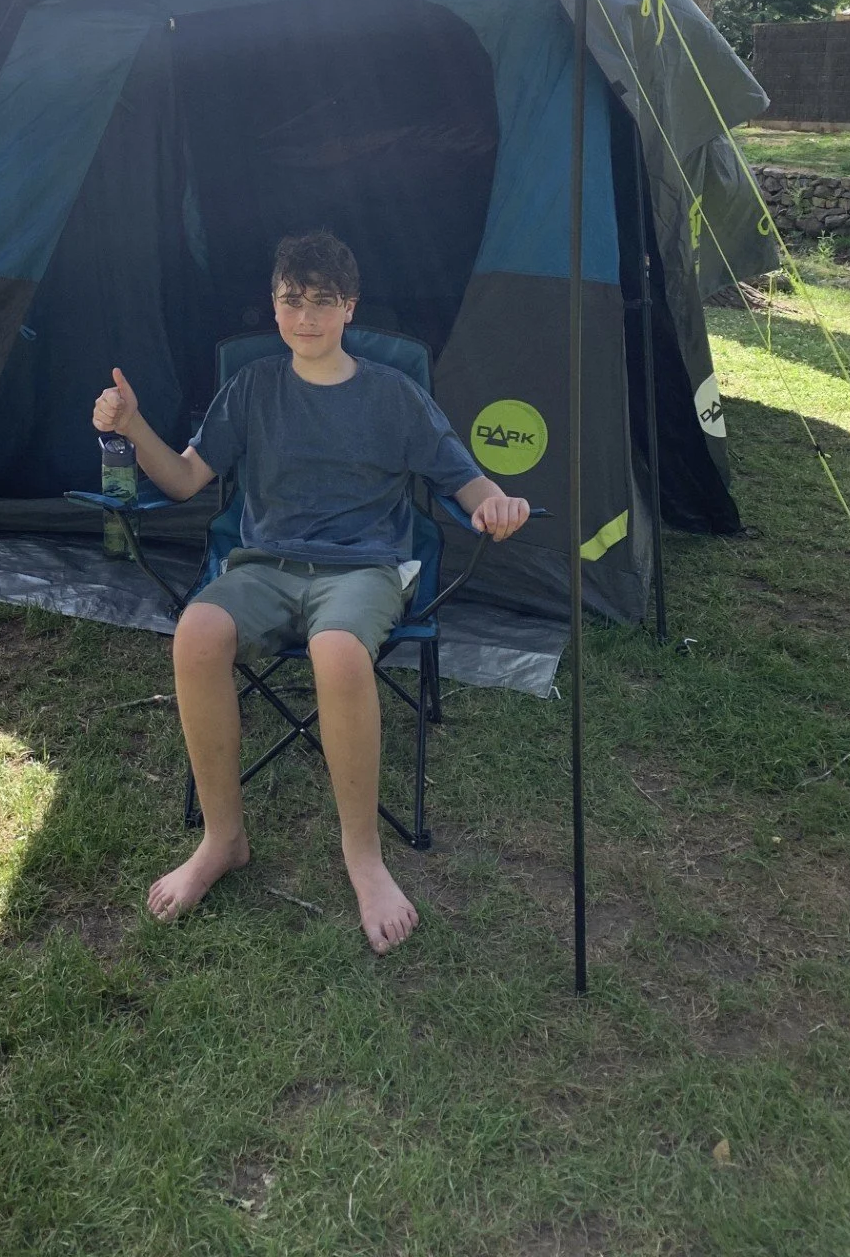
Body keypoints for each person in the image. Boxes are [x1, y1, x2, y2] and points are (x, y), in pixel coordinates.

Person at [92, 230, 530, 955]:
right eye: (293, 301)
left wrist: (497, 502)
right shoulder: (253, 387)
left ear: (348, 308)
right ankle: (223, 839)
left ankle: (365, 860)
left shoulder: (394, 396)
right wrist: (132, 424)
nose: (306, 318)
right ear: (274, 306)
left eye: (323, 303)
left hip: (363, 570)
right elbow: (184, 481)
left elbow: (466, 478)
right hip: (264, 566)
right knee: (196, 634)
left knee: (335, 650)